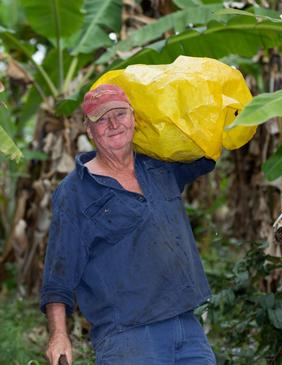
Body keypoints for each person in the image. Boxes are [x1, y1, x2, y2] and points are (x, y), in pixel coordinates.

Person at [40, 84, 217, 365]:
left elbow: (206, 151)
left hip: (187, 326)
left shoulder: (160, 165)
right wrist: (59, 335)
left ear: (134, 117)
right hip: (127, 338)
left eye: (120, 113)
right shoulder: (75, 191)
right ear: (88, 128)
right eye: (101, 119)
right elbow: (58, 274)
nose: (113, 124)